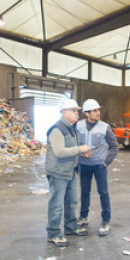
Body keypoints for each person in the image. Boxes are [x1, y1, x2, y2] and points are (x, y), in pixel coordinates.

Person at [45, 99, 92, 247]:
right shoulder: (57, 129)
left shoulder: (73, 129)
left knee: (71, 201)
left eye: (77, 110)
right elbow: (59, 152)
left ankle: (70, 227)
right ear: (64, 113)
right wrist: (80, 149)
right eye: (73, 110)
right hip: (58, 172)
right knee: (56, 204)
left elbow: (75, 148)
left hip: (70, 170)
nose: (76, 113)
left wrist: (84, 153)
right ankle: (53, 233)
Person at [76, 99, 119, 236]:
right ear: (87, 113)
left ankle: (106, 221)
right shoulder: (78, 126)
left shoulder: (105, 127)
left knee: (103, 193)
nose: (98, 113)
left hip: (100, 166)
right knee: (84, 193)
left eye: (98, 110)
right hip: (84, 166)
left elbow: (115, 146)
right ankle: (83, 217)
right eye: (94, 111)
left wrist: (106, 162)